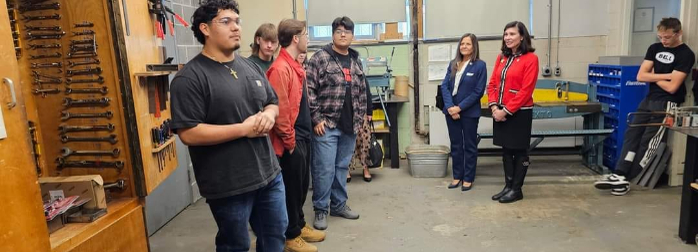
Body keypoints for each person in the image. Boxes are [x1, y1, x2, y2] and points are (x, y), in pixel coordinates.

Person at [170, 0, 287, 251]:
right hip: (228, 184)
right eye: (226, 22)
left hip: (269, 175)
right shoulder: (189, 78)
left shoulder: (250, 66)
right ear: (205, 29)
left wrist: (269, 114)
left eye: (237, 21)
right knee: (235, 245)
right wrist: (242, 129)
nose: (236, 28)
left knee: (275, 236)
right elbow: (188, 132)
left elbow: (272, 101)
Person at [595, 17, 695, 196]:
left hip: (667, 103)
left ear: (678, 33)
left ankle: (627, 177)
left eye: (667, 37)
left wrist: (655, 75)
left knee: (648, 142)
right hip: (648, 99)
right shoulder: (654, 48)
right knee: (631, 133)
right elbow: (641, 76)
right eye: (660, 37)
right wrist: (665, 76)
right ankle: (619, 172)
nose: (663, 41)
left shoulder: (686, 54)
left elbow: (673, 87)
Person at [306, 16, 372, 230]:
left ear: (353, 35)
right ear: (333, 34)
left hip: (350, 126)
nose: (343, 34)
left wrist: (361, 117)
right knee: (324, 169)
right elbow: (309, 90)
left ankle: (339, 205)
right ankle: (321, 210)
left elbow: (362, 89)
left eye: (347, 31)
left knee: (341, 168)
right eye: (339, 31)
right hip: (327, 125)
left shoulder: (355, 60)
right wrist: (316, 118)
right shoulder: (320, 58)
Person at [266, 19, 325, 252]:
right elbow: (279, 112)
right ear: (295, 39)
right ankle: (290, 236)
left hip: (302, 137)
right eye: (305, 34)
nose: (308, 39)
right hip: (291, 141)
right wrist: (290, 142)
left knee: (301, 186)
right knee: (291, 190)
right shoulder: (280, 69)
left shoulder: (294, 66)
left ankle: (299, 225)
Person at [487, 21, 538, 204]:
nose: (507, 37)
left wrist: (506, 111)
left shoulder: (531, 59)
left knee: (520, 151)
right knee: (506, 150)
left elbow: (526, 90)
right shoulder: (502, 57)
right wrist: (494, 107)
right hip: (499, 111)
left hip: (519, 113)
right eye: (505, 34)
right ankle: (508, 186)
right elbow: (492, 83)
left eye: (512, 34)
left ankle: (517, 189)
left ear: (522, 36)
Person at [440, 33, 487, 191]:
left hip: (469, 113)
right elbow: (445, 86)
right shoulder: (453, 63)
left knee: (470, 146)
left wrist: (459, 108)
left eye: (468, 44)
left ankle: (468, 178)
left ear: (474, 46)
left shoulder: (480, 65)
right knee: (456, 145)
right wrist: (450, 107)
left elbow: (478, 91)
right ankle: (457, 176)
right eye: (462, 44)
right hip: (451, 112)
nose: (464, 47)